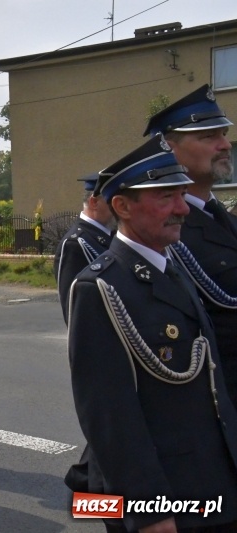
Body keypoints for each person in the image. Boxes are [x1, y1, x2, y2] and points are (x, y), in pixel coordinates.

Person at [68, 134, 237, 532]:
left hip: (213, 478)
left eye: (181, 195)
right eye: (166, 197)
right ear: (123, 207)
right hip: (168, 493)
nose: (182, 208)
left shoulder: (172, 267)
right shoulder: (100, 287)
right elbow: (109, 414)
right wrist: (148, 510)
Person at [144, 84, 237, 406]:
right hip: (212, 402)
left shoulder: (224, 219)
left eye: (224, 134)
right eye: (209, 137)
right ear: (169, 150)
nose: (225, 145)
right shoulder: (160, 234)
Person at [53, 173, 114, 324]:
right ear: (94, 202)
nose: (119, 207)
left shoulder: (112, 236)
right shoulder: (75, 244)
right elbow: (74, 309)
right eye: (112, 201)